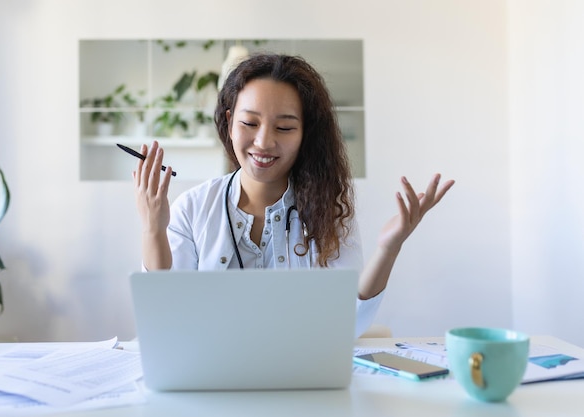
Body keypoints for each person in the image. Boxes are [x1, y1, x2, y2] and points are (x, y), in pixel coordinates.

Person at [132, 53, 455, 337]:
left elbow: (347, 325)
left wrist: (389, 248)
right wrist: (153, 229)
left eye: (284, 128)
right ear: (230, 122)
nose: (263, 142)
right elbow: (166, 321)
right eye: (249, 122)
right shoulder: (193, 207)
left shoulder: (329, 210)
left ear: (305, 134)